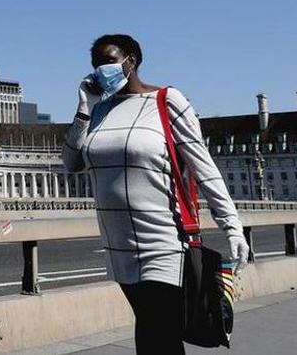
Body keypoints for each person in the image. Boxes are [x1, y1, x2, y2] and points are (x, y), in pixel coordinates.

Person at [62, 34, 250, 354]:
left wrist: (231, 225)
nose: (100, 70)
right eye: (95, 64)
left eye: (108, 61)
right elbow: (72, 163)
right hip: (118, 246)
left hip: (163, 241)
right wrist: (83, 109)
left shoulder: (166, 100)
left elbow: (203, 167)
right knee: (153, 333)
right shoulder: (99, 111)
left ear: (131, 61)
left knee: (156, 331)